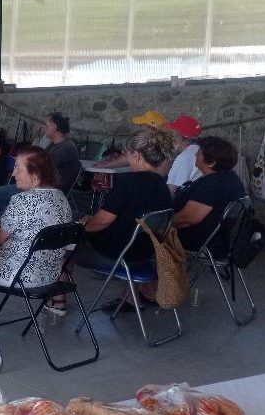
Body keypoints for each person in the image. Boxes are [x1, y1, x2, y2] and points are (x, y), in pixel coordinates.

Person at [0, 147, 74, 344]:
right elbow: (30, 227)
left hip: (20, 275)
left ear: (35, 175)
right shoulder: (61, 198)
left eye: (19, 168)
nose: (13, 173)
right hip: (49, 275)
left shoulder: (22, 201)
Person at [76, 126, 176, 306]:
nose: (126, 157)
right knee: (126, 230)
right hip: (147, 252)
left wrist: (82, 225)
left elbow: (102, 222)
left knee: (63, 242)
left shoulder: (128, 183)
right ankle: (129, 297)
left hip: (121, 255)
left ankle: (55, 300)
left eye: (126, 153)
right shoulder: (162, 186)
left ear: (137, 155)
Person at [0, 112, 81, 219]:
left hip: (47, 191)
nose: (42, 127)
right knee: (5, 189)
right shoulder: (54, 145)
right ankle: (12, 220)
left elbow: (40, 166)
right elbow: (37, 160)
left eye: (45, 125)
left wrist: (24, 162)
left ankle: (5, 222)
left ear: (54, 127)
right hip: (39, 186)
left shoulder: (67, 147)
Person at [173, 136, 245, 254]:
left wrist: (164, 224)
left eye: (199, 153)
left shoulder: (214, 185)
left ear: (211, 162)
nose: (195, 155)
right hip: (221, 239)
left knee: (145, 232)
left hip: (203, 241)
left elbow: (188, 218)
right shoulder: (231, 177)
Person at [95, 110, 169, 169]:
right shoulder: (163, 141)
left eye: (142, 124)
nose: (139, 126)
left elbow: (129, 159)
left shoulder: (150, 142)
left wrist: (105, 165)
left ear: (150, 128)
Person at [165, 115, 203, 194]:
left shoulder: (185, 157)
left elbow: (171, 191)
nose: (171, 137)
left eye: (173, 133)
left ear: (179, 136)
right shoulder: (200, 150)